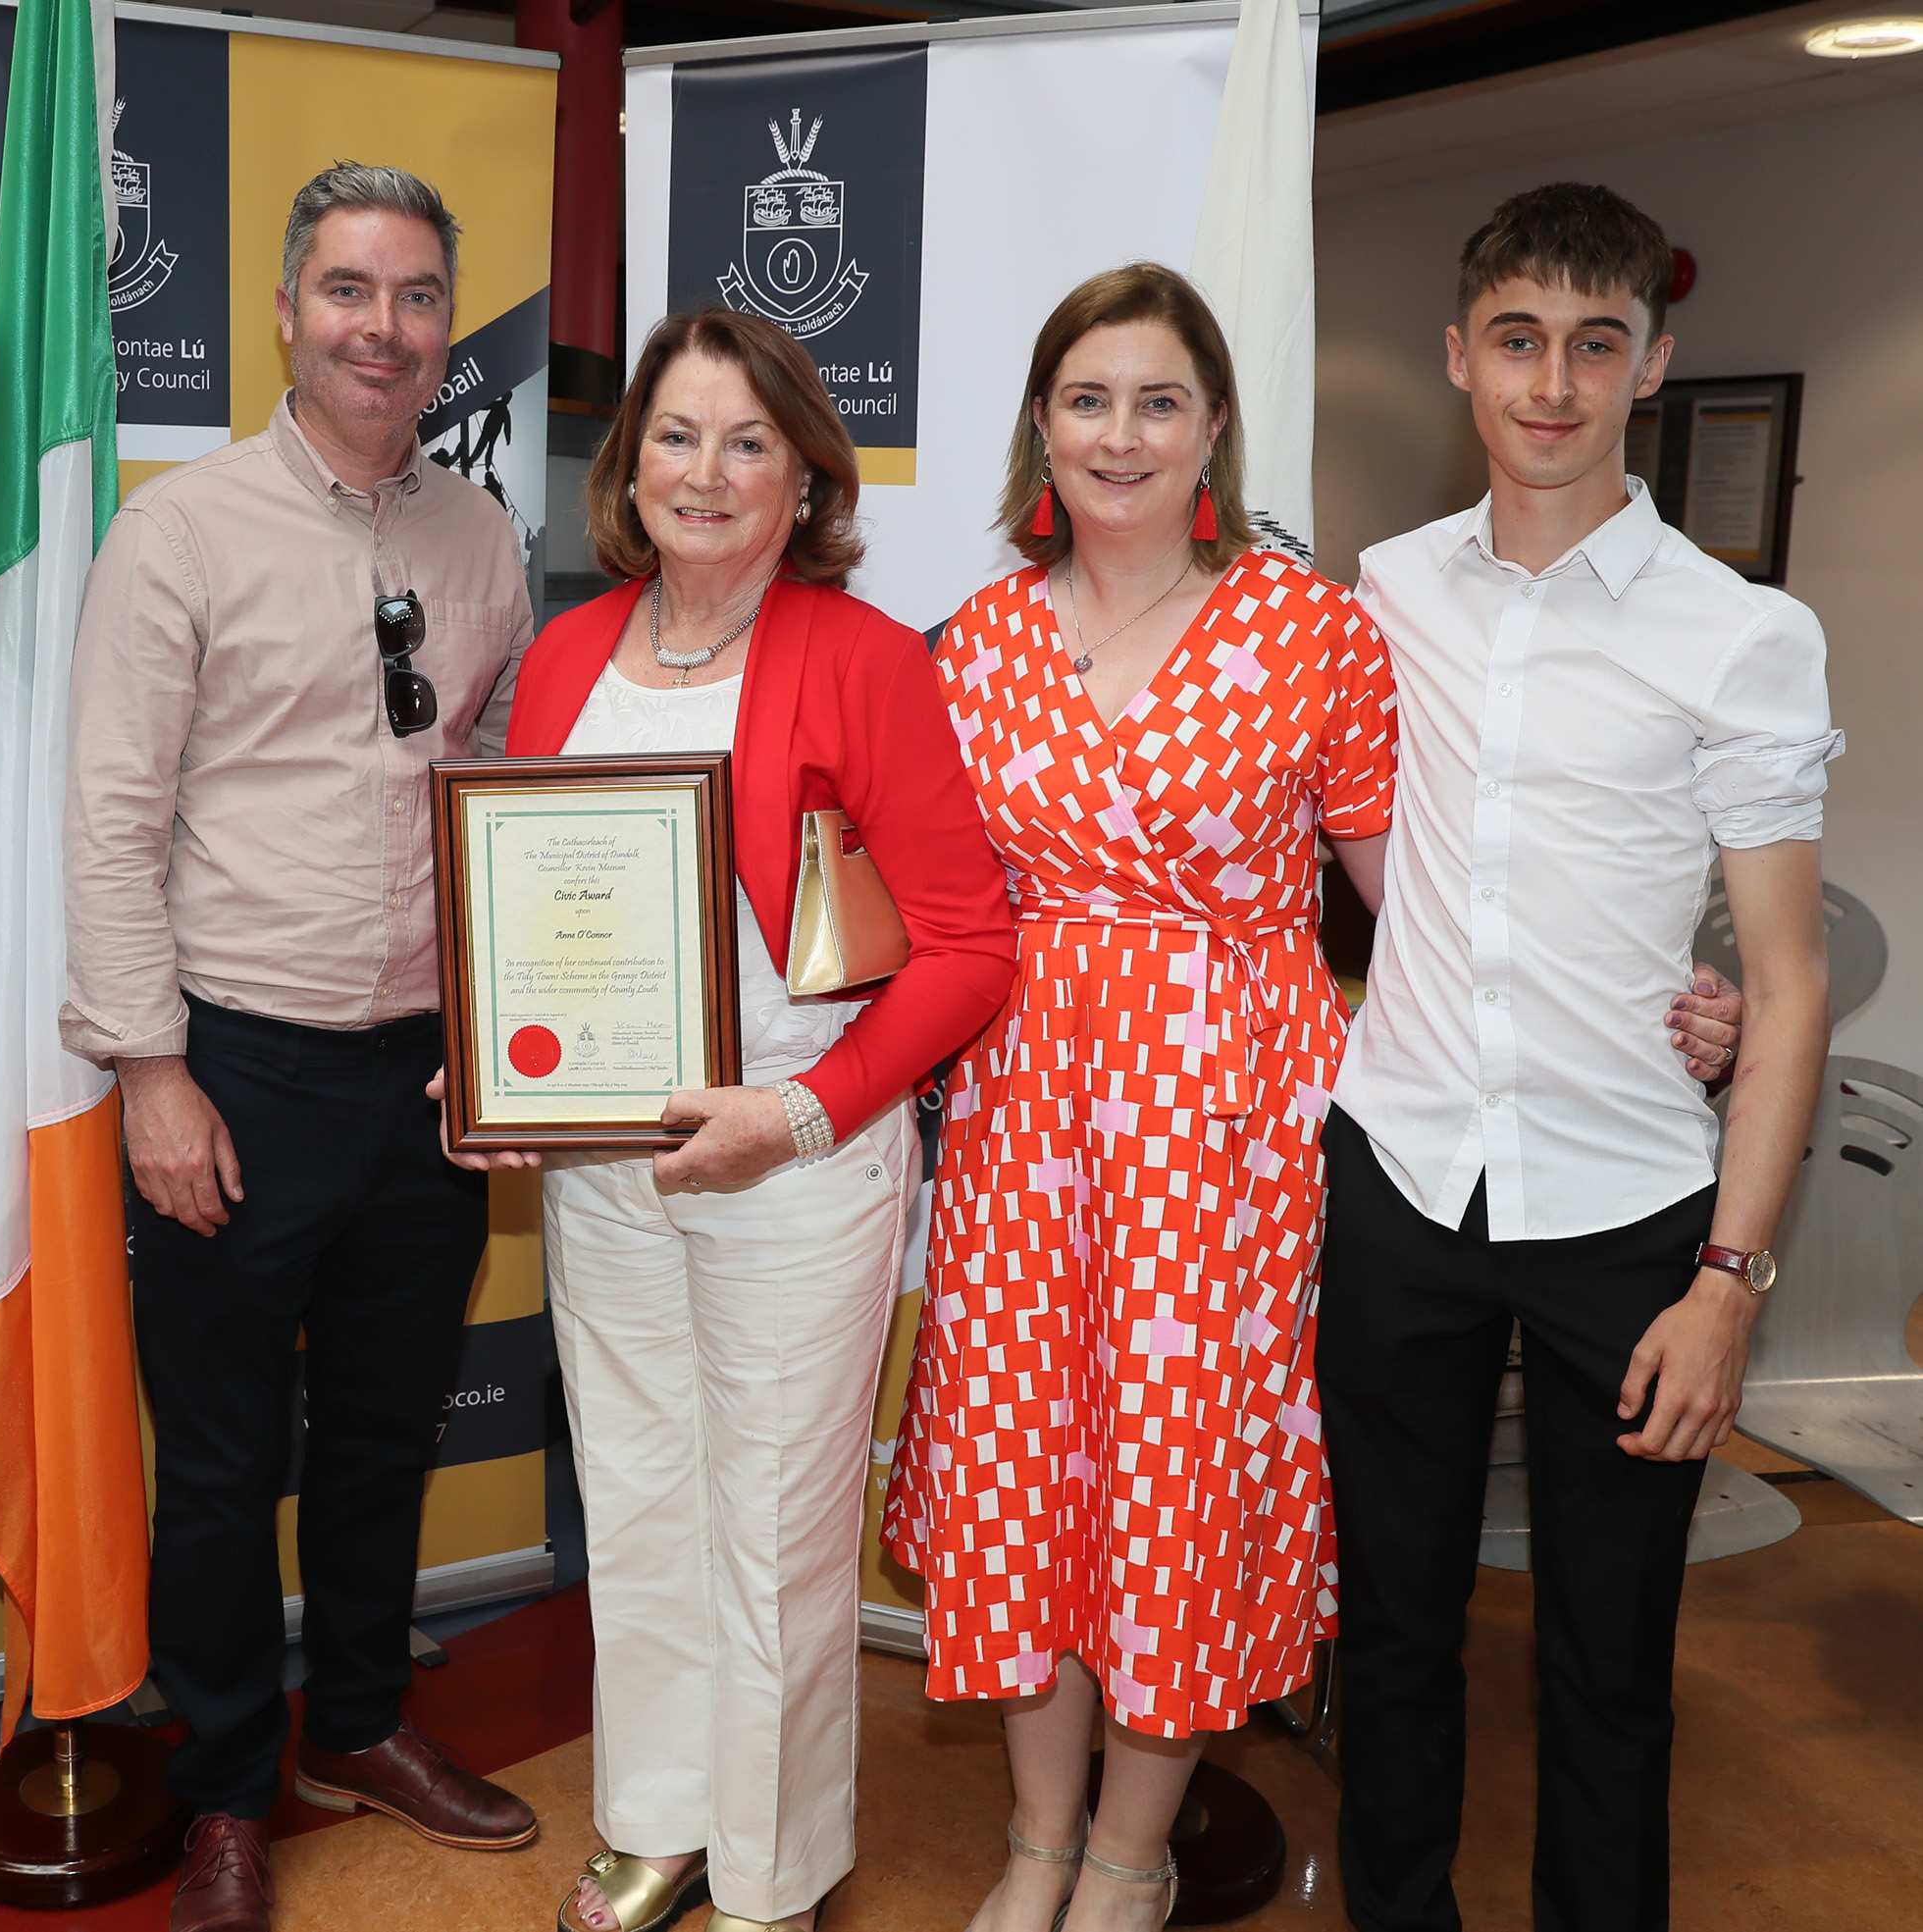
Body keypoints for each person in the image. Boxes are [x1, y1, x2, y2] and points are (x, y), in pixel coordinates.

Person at [451, 307, 1015, 1932]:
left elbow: (968, 947)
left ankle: (773, 1866)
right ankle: (657, 1817)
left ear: (804, 478)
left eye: (748, 441)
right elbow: (526, 910)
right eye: (677, 436)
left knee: (773, 1528)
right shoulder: (566, 654)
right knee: (634, 1499)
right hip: (604, 1168)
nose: (705, 472)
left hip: (795, 1161)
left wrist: (799, 1112)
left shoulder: (866, 660)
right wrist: (492, 1072)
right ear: (629, 464)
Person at [1320, 183, 1835, 1932]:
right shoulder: (1379, 594)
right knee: (1392, 1629)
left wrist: (1728, 1283)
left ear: (1650, 364)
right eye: (1518, 340)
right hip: (1400, 1176)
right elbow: (1345, 851)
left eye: (1593, 344)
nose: (1552, 383)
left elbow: (1784, 984)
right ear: (1457, 357)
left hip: (1625, 1208)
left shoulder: (1740, 632)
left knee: (1607, 1662)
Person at [876, 263, 1396, 1932]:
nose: (1120, 434)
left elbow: (1412, 909)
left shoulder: (1313, 633)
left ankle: (1128, 1852)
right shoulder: (970, 646)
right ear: (1041, 423)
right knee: (1025, 1457)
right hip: (1022, 1110)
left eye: (1157, 400)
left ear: (1213, 427)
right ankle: (1038, 1836)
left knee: (1176, 1469)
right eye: (1087, 399)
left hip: (1226, 1125)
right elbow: (905, 901)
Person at [60, 164, 539, 1932]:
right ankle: (222, 1791)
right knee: (216, 1464)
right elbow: (109, 819)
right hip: (232, 1070)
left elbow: (495, 796)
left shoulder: (481, 537)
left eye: (416, 298)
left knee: (384, 1438)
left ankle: (356, 1722)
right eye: (348, 291)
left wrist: (502, 1044)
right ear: (283, 312)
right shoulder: (179, 532)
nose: (382, 330)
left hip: (422, 1077)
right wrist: (150, 1070)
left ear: (445, 329)